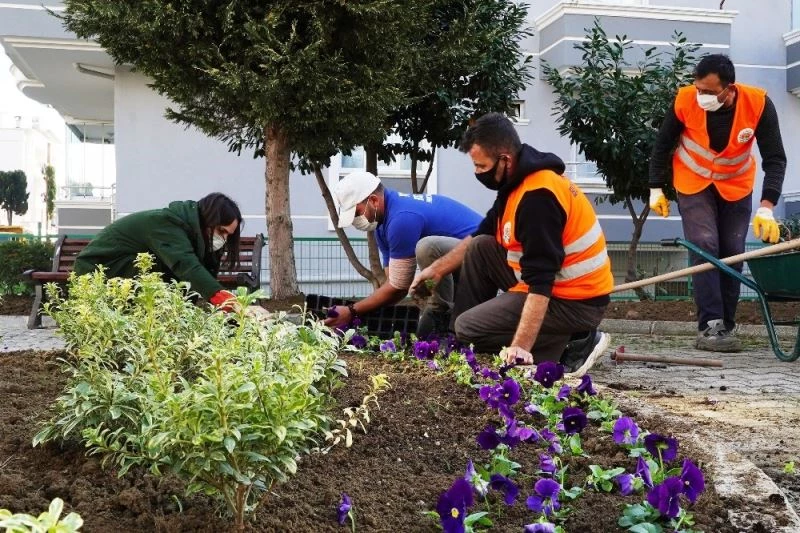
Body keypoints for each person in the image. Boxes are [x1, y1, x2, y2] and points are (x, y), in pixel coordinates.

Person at [410, 113, 612, 377]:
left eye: (481, 167)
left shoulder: (538, 198)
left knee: (469, 327)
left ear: (505, 159)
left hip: (574, 303)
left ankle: (574, 342)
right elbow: (482, 234)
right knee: (481, 246)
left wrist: (520, 347)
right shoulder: (515, 185)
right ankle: (458, 339)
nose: (477, 173)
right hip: (553, 287)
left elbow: (541, 281)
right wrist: (435, 270)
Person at [648, 54, 786, 352]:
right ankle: (710, 326)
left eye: (709, 92)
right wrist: (656, 188)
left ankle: (727, 326)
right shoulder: (685, 100)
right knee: (705, 244)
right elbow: (662, 144)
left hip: (736, 185)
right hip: (692, 181)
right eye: (699, 89)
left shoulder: (758, 104)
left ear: (729, 88)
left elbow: (775, 159)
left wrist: (767, 206)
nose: (702, 97)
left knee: (733, 252)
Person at [324, 171, 483, 336]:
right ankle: (444, 316)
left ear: (373, 200)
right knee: (428, 330)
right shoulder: (382, 227)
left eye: (356, 213)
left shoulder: (401, 219)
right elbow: (391, 283)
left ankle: (440, 311)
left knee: (427, 247)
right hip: (460, 263)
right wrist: (364, 316)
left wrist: (351, 310)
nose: (355, 221)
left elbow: (399, 287)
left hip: (486, 252)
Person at [74, 192, 244, 310]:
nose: (224, 239)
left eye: (228, 235)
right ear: (208, 219)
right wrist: (227, 300)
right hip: (99, 270)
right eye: (221, 231)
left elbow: (197, 280)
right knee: (160, 272)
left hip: (124, 270)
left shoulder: (196, 238)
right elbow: (186, 266)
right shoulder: (166, 223)